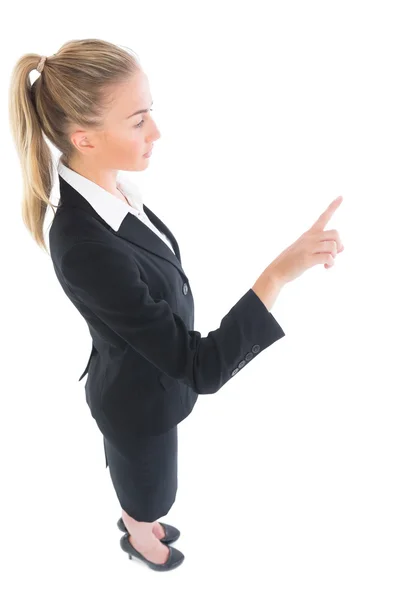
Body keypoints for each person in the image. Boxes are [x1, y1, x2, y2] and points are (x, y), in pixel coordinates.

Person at [8, 38, 344, 572]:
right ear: (84, 139)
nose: (156, 133)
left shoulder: (110, 190)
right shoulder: (87, 245)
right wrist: (279, 273)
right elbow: (199, 368)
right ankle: (140, 535)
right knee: (152, 494)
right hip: (138, 405)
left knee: (141, 476)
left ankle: (137, 514)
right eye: (138, 120)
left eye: (150, 114)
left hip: (144, 380)